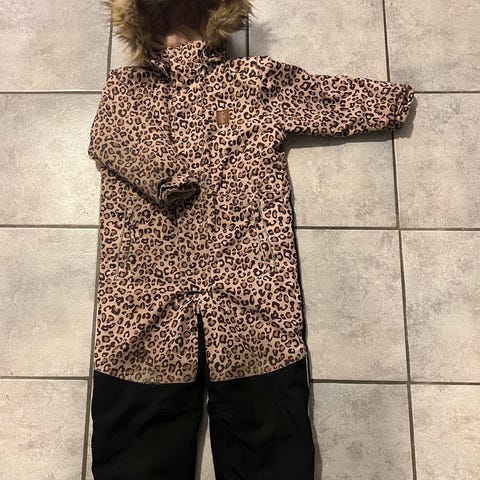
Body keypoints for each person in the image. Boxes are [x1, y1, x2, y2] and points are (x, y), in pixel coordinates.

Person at [88, 1, 415, 479]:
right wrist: (164, 178)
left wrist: (391, 101)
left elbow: (322, 97)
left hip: (250, 273)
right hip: (146, 279)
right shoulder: (125, 88)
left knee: (267, 439)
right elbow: (107, 137)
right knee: (139, 440)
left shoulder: (253, 82)